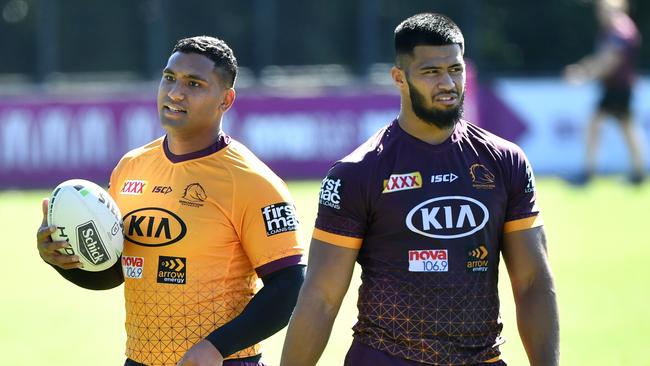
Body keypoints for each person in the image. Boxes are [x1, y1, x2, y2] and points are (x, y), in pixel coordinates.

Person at [281, 13, 559, 366]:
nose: (447, 83)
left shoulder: (504, 161)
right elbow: (320, 297)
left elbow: (533, 281)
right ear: (399, 78)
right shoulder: (358, 172)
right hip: (387, 357)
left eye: (455, 70)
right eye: (431, 72)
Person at [36, 36, 305, 366]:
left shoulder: (252, 181)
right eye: (169, 78)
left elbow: (290, 285)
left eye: (194, 83)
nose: (175, 92)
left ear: (226, 99)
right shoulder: (131, 167)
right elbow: (116, 271)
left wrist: (217, 347)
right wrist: (61, 257)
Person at [564, 0, 645, 184]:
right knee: (626, 128)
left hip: (618, 87)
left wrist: (583, 74)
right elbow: (601, 58)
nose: (601, 14)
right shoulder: (613, 30)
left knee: (597, 124)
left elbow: (609, 62)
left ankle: (588, 172)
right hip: (617, 86)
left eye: (606, 10)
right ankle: (638, 172)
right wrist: (584, 69)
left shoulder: (620, 30)